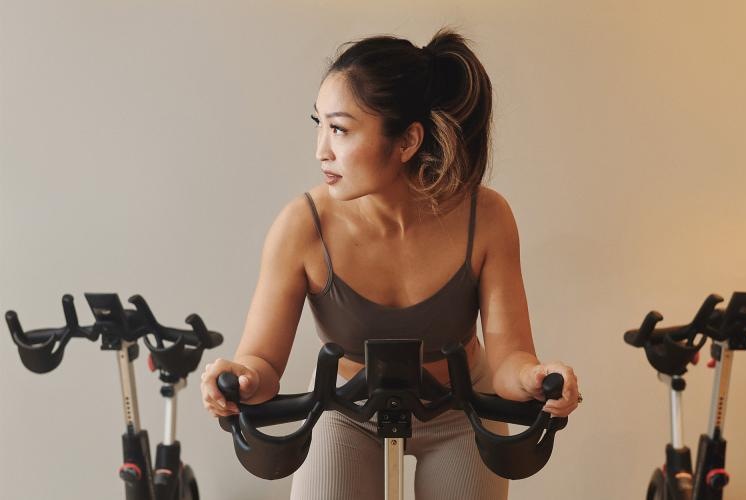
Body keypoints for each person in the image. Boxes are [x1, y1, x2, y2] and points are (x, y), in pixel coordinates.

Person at [200, 26, 581, 500]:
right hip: (348, 413)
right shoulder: (301, 226)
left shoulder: (487, 217)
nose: (321, 149)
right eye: (318, 123)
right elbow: (262, 363)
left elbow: (509, 361)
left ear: (406, 141)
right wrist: (241, 379)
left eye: (339, 129)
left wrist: (535, 379)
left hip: (459, 411)